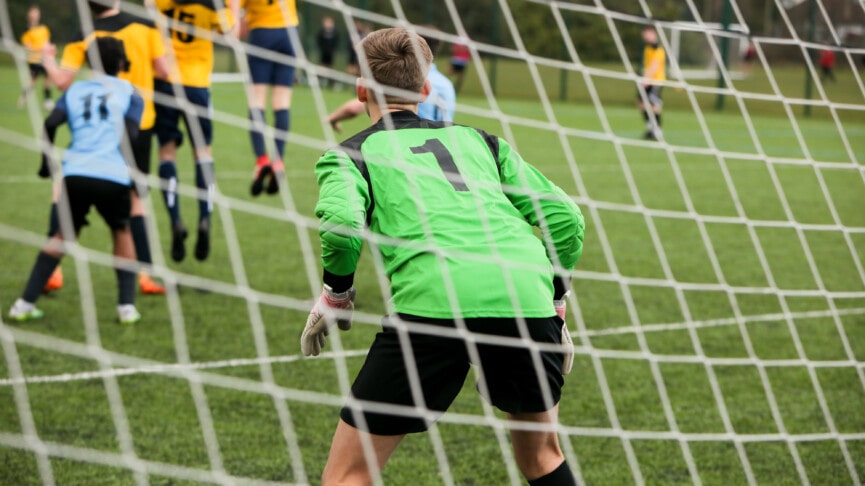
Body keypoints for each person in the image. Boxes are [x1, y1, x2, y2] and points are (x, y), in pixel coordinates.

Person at [302, 28, 584, 486]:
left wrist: (337, 294)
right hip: (524, 294)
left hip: (433, 303)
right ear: (426, 89)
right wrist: (554, 296)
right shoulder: (483, 141)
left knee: (348, 474)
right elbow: (566, 218)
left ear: (360, 89)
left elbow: (341, 224)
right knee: (542, 457)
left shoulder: (349, 154)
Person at [9, 37, 144, 324]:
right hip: (112, 174)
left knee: (62, 236)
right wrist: (134, 175)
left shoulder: (74, 90)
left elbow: (50, 123)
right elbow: (132, 136)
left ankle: (23, 304)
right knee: (121, 232)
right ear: (122, 64)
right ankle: (126, 307)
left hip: (76, 173)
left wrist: (46, 164)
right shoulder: (131, 92)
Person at [42, 0, 170, 295]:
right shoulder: (145, 24)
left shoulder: (82, 34)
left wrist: (47, 58)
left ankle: (54, 271)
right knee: (136, 199)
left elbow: (62, 81)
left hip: (92, 129)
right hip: (139, 124)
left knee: (63, 190)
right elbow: (163, 71)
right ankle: (144, 275)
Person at [150, 0, 237, 262]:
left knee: (167, 154)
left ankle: (175, 219)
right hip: (197, 86)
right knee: (202, 153)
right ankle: (204, 218)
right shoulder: (210, 4)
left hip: (165, 83)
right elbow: (229, 30)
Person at [327, 27, 456, 132]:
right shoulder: (446, 84)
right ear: (425, 90)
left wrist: (331, 118)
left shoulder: (400, 73)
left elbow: (354, 108)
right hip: (441, 144)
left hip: (406, 143)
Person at [241, 0, 299, 196]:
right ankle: (278, 161)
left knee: (257, 100)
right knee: (282, 101)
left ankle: (261, 160)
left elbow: (235, 13)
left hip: (262, 33)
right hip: (289, 33)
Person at [18, 5, 54, 110]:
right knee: (32, 81)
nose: (35, 15)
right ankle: (23, 97)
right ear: (29, 15)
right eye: (33, 13)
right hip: (34, 59)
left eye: (37, 13)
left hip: (45, 59)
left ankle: (47, 100)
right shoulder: (26, 31)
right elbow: (27, 46)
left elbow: (47, 42)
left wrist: (48, 50)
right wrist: (40, 49)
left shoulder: (43, 28)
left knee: (48, 79)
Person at [637, 25, 665, 141]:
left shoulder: (658, 49)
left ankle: (658, 131)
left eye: (648, 33)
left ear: (654, 34)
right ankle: (650, 128)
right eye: (645, 33)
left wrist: (647, 79)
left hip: (655, 81)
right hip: (647, 79)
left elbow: (655, 65)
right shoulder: (648, 48)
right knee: (641, 103)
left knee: (653, 105)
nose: (646, 36)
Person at [316, 15, 338, 88]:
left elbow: (336, 42)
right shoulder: (321, 32)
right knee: (321, 68)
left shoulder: (334, 33)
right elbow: (319, 41)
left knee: (331, 69)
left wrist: (332, 50)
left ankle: (332, 84)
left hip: (331, 54)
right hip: (323, 53)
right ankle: (317, 82)